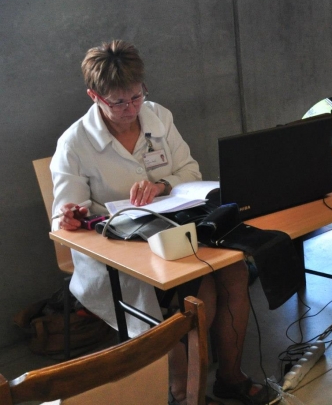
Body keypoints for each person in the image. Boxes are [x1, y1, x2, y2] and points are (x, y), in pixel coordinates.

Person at [52, 41, 274, 405]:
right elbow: (65, 217)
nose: (130, 109)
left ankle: (230, 378)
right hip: (119, 247)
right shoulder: (74, 143)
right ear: (94, 96)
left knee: (234, 273)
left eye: (136, 97)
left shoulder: (158, 116)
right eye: (118, 102)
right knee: (199, 290)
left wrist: (162, 185)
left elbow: (190, 171)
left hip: (178, 227)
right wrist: (72, 215)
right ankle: (183, 393)